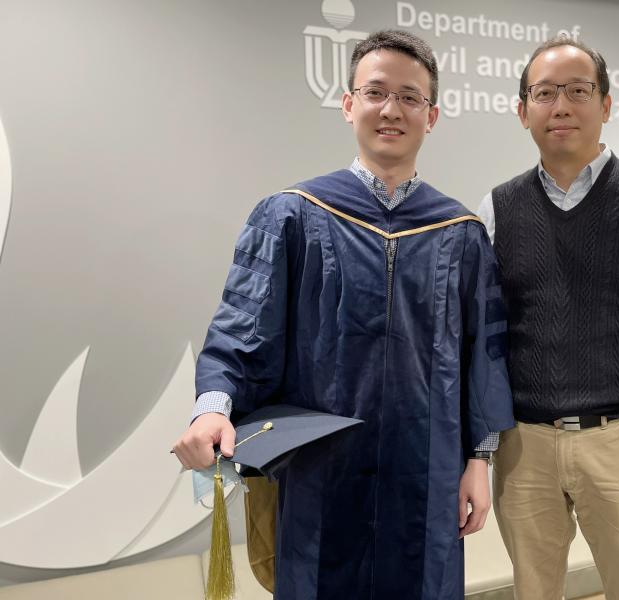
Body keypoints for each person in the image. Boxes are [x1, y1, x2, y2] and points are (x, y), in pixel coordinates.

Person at [172, 29, 514, 600]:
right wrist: (212, 408)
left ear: (432, 117)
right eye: (376, 92)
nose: (392, 109)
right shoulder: (292, 216)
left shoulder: (461, 234)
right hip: (319, 473)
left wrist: (478, 460)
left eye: (411, 97)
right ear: (349, 104)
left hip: (424, 478)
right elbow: (240, 328)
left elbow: (483, 356)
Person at [478, 37, 619, 600]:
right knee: (534, 592)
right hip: (524, 446)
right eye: (545, 93)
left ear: (606, 104)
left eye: (579, 91)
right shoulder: (496, 208)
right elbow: (492, 329)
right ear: (522, 109)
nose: (561, 106)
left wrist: (617, 371)